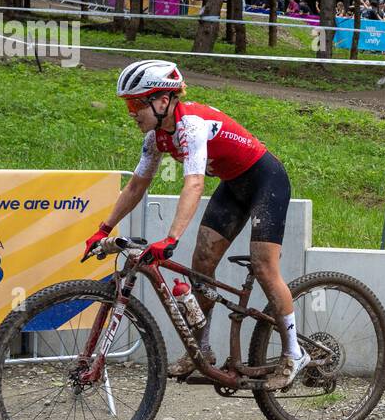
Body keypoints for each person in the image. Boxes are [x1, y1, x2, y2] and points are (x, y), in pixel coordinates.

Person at [84, 60, 306, 389]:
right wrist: (104, 229)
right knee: (201, 264)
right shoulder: (156, 138)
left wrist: (170, 238)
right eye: (127, 105)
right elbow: (135, 186)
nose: (131, 113)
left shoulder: (192, 126)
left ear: (162, 102)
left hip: (265, 180)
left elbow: (194, 185)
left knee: (263, 265)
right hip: (234, 185)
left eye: (135, 104)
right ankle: (201, 350)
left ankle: (294, 353)